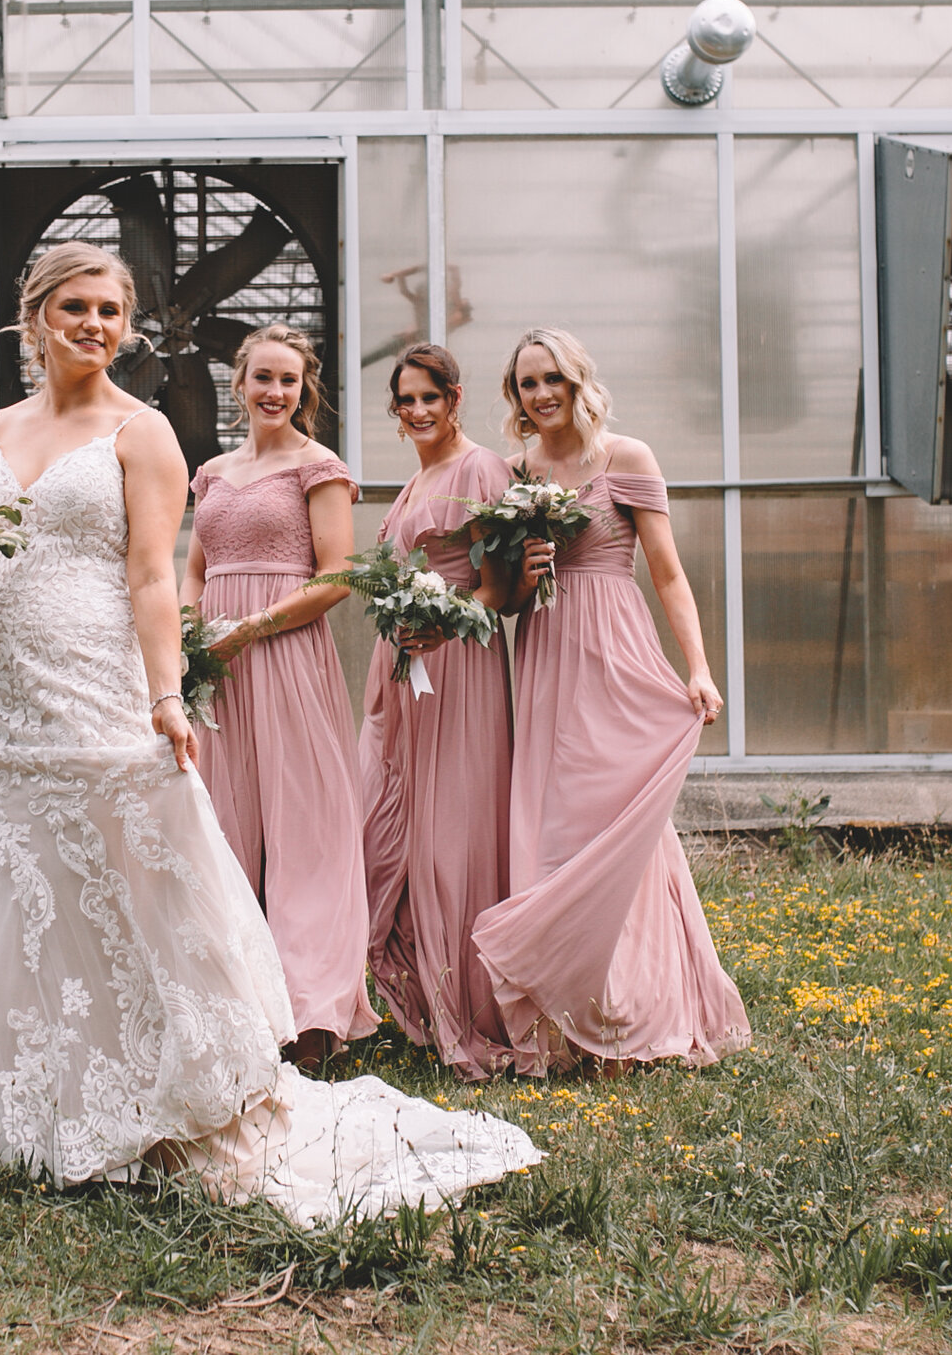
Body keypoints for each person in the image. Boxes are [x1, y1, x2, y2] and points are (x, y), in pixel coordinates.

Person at [0, 242, 539, 1225]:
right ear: (35, 312)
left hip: (98, 685)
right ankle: (47, 1107)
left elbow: (153, 576)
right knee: (18, 890)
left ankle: (181, 1090)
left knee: (134, 879)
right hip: (1, 703)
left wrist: (167, 694)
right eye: (75, 307)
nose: (94, 325)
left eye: (109, 310)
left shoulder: (144, 433)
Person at [469, 328, 751, 1072]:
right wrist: (525, 574)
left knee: (617, 823)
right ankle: (572, 1017)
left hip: (614, 649)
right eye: (527, 383)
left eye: (552, 378)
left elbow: (667, 573)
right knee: (556, 827)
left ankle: (636, 1011)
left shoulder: (626, 458)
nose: (541, 394)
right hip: (546, 655)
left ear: (577, 380)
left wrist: (698, 667)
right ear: (517, 397)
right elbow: (501, 602)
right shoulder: (514, 472)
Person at [180, 325, 375, 1066]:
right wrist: (192, 637)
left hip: (285, 653)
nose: (274, 392)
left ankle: (313, 1008)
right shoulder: (212, 471)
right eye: (262, 377)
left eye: (288, 381)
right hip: (215, 665)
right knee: (220, 822)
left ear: (305, 389)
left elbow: (338, 574)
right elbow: (194, 571)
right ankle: (234, 998)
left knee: (305, 823)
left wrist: (252, 627)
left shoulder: (317, 466)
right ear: (239, 383)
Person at [358, 343, 522, 1080]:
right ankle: (421, 994)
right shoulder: (415, 478)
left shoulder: (481, 469)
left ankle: (472, 1002)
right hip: (403, 672)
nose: (418, 411)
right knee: (390, 823)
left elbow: (499, 587)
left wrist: (445, 621)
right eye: (406, 401)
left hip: (458, 670)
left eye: (430, 397)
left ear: (455, 398)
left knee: (452, 832)